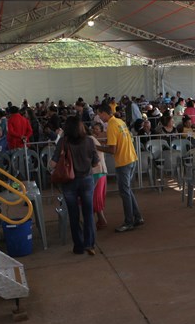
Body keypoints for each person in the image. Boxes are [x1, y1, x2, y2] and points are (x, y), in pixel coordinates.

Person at [50, 116, 99, 255]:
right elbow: (95, 163)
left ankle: (78, 246)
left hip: (69, 182)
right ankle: (90, 244)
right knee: (88, 213)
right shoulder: (89, 141)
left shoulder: (63, 142)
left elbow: (53, 163)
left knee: (73, 214)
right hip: (87, 180)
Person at [95, 103, 144, 233]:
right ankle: (137, 217)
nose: (99, 117)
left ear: (104, 113)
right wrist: (103, 142)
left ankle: (129, 222)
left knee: (125, 192)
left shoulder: (111, 125)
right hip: (131, 158)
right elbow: (116, 141)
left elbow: (112, 149)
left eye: (99, 114)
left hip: (123, 162)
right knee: (127, 190)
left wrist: (96, 147)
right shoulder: (119, 121)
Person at [89, 123, 108, 230]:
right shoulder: (93, 139)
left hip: (96, 171)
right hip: (100, 171)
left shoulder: (89, 140)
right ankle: (99, 220)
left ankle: (101, 220)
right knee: (97, 197)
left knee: (94, 198)